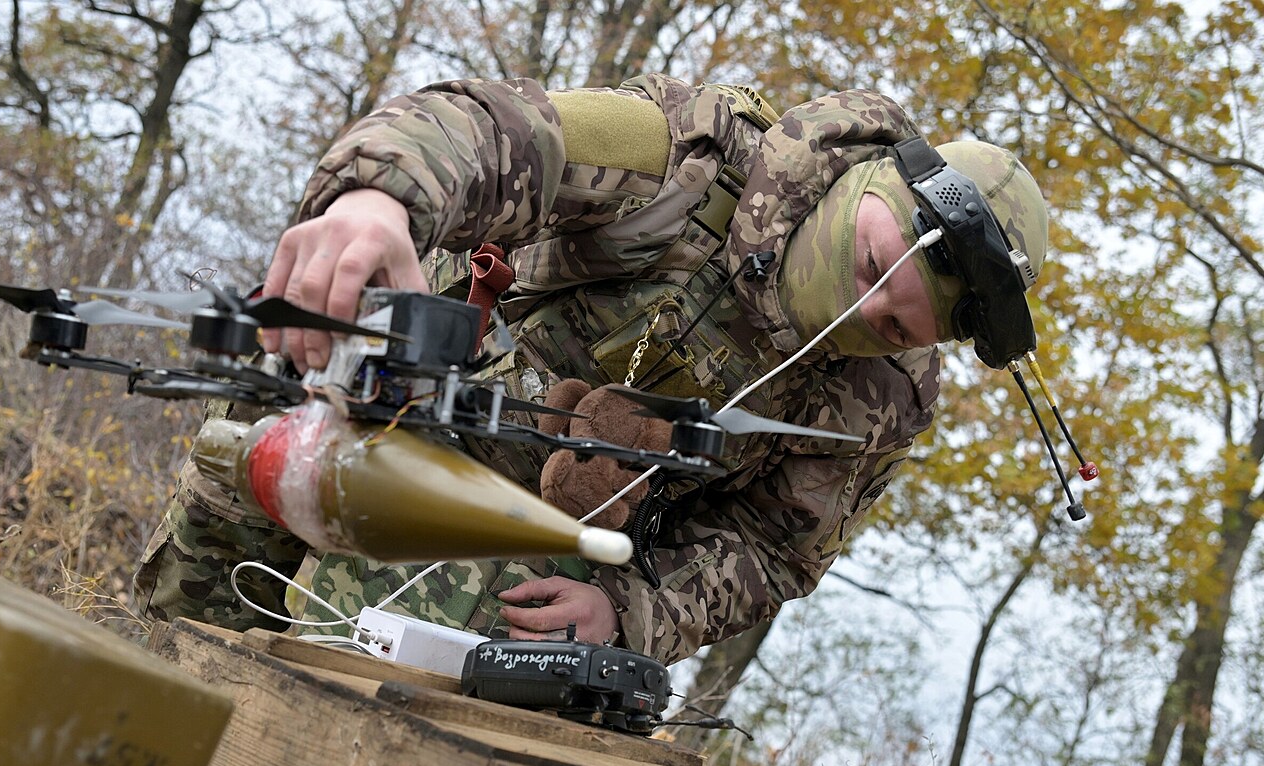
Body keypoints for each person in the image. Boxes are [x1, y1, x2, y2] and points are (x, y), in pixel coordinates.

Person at [135, 73, 1048, 666]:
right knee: (215, 532)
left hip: (534, 553)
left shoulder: (881, 401)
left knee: (391, 683)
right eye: (865, 268)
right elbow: (500, 133)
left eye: (889, 326)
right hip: (384, 409)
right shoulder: (688, 159)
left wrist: (626, 612)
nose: (859, 312)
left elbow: (774, 549)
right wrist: (379, 201)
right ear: (865, 184)